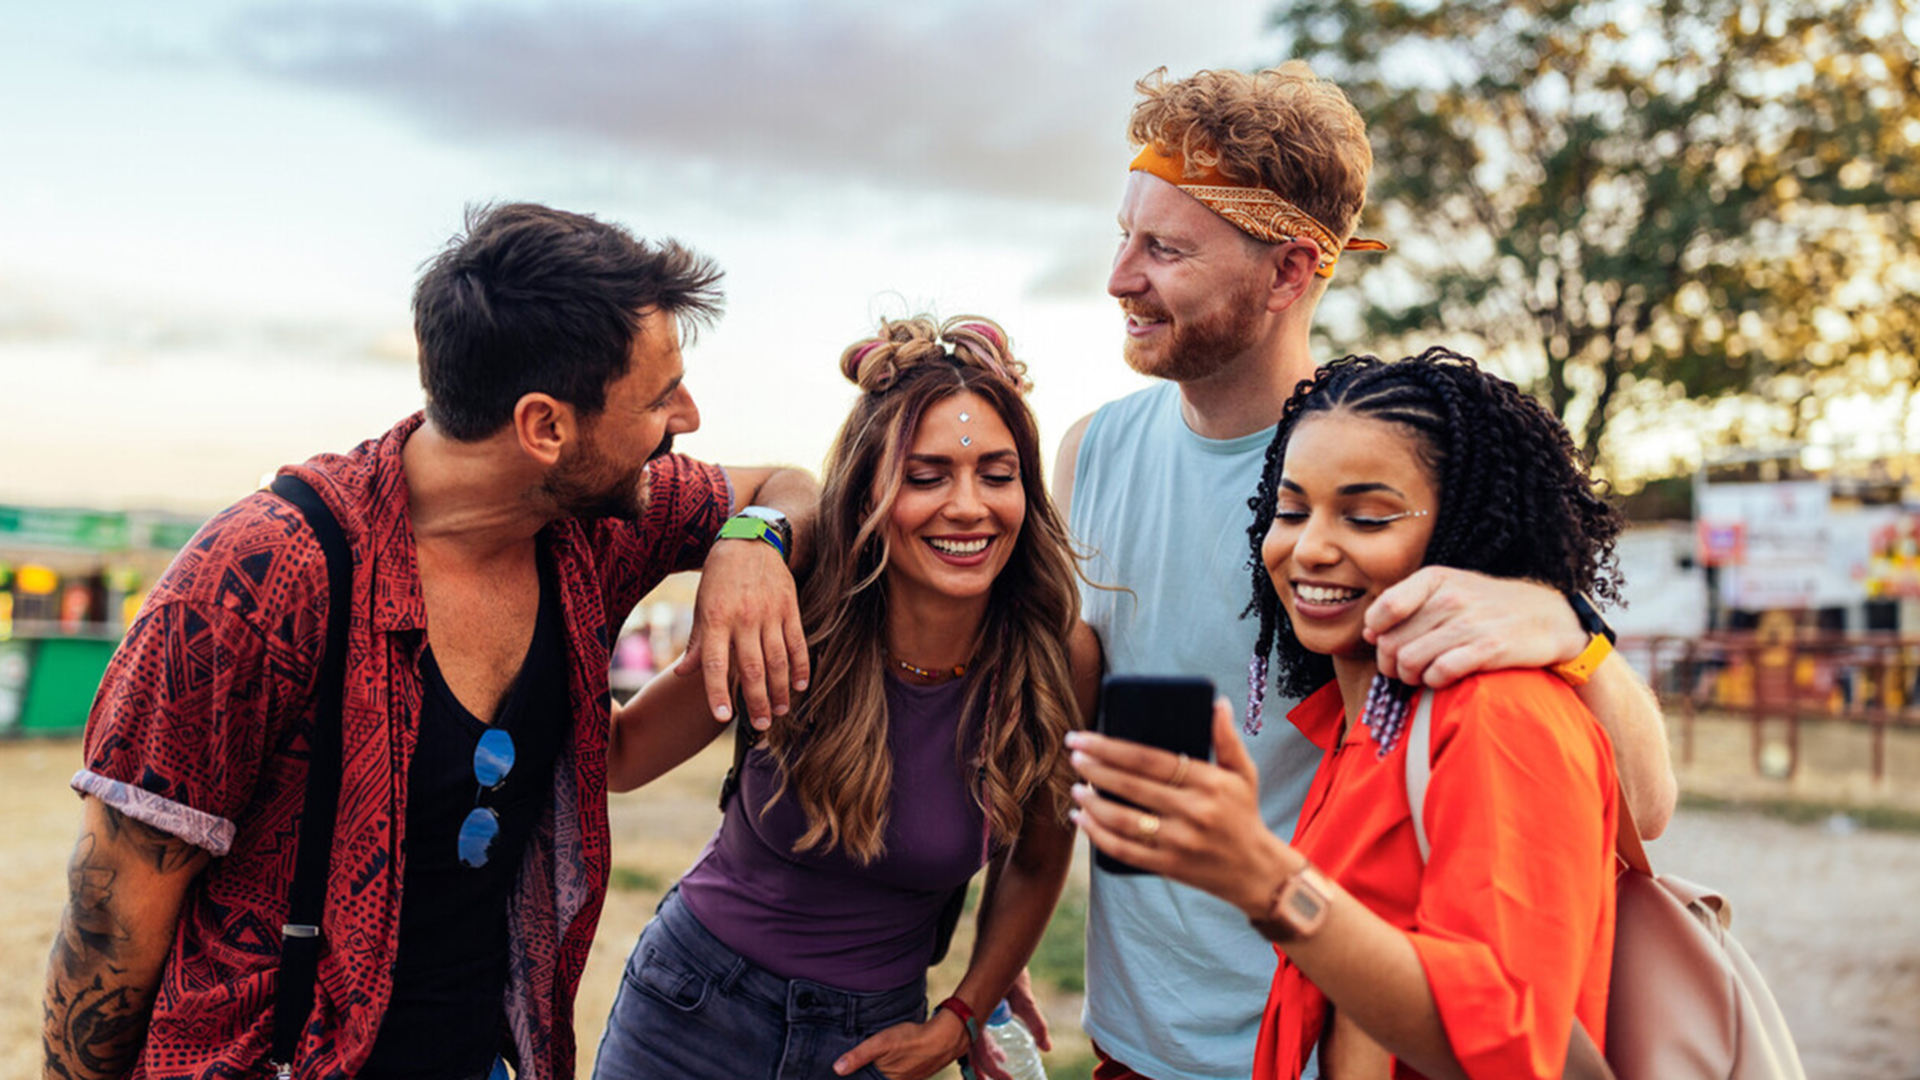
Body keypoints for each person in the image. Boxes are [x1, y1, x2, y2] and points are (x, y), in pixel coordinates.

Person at [40, 202, 819, 1080]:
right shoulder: (254, 580)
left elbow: (794, 483)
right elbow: (111, 916)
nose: (689, 417)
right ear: (545, 427)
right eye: (657, 399)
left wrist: (753, 541)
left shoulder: (590, 527)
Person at [1046, 64, 1677, 1079]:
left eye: (1164, 248)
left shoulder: (1399, 461)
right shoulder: (1090, 453)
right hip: (1131, 1030)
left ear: (1293, 271)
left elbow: (1637, 805)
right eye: (1123, 235)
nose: (1120, 275)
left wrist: (1575, 634)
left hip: (1335, 1028)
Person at [1069, 348, 1625, 1080]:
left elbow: (1514, 1049)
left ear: (1468, 527)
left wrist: (1264, 882)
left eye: (1366, 518)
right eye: (1290, 510)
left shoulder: (1501, 714)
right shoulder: (1355, 720)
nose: (1311, 548)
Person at [590, 316, 1100, 1080]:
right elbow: (623, 757)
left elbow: (1037, 854)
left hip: (870, 1045)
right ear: (869, 487)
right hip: (690, 1010)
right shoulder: (798, 605)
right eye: (925, 477)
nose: (968, 506)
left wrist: (962, 1015)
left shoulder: (1059, 656)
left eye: (997, 474)